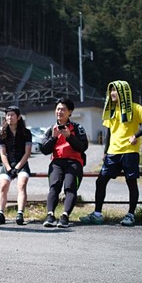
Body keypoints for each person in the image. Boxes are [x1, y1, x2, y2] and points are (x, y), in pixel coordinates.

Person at [80, 80, 142, 226]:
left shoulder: (135, 108)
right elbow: (109, 132)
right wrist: (105, 151)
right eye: (111, 91)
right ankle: (97, 214)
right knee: (100, 181)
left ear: (123, 92)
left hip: (129, 151)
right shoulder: (111, 110)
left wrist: (136, 135)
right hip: (113, 153)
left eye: (115, 90)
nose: (112, 93)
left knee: (131, 183)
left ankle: (130, 215)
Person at [40, 98, 89, 228]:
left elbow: (83, 147)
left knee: (70, 187)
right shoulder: (51, 129)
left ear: (70, 112)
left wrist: (69, 136)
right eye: (58, 109)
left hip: (74, 162)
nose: (59, 112)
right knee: (54, 186)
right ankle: (50, 215)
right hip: (57, 162)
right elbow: (44, 150)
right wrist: (54, 137)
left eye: (63, 109)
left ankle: (65, 216)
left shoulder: (78, 128)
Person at [0, 106, 32, 226]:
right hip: (8, 163)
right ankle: (0, 214)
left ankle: (20, 214)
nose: (9, 117)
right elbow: (2, 153)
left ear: (18, 117)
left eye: (12, 115)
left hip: (22, 163)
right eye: (8, 115)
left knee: (22, 184)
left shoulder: (26, 133)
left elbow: (27, 152)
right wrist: (9, 168)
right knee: (3, 186)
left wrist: (18, 167)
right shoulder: (3, 132)